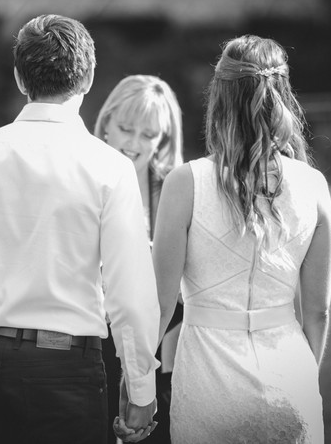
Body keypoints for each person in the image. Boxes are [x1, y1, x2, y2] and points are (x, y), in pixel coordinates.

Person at [0, 14, 161, 444]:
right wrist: (141, 384)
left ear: (19, 79)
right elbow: (130, 291)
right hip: (68, 368)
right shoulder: (110, 168)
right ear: (88, 78)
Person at [152, 35, 331, 443]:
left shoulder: (186, 183)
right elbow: (318, 312)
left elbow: (162, 304)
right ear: (283, 96)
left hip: (209, 378)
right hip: (290, 374)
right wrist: (308, 376)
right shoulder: (314, 185)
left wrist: (138, 383)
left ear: (219, 98)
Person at [94, 75, 183, 444]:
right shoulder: (85, 177)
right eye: (126, 129)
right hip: (94, 339)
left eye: (148, 135)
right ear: (106, 124)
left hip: (159, 344)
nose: (133, 144)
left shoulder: (174, 188)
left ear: (163, 138)